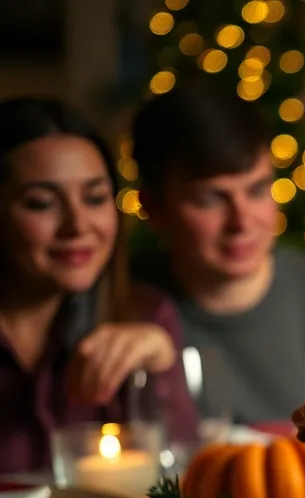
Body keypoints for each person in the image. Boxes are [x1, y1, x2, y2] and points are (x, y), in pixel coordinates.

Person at [131, 78, 305, 425]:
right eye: (210, 199)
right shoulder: (122, 305)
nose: (242, 221)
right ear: (153, 208)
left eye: (256, 191)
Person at [0, 98, 196, 476]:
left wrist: (161, 366)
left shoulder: (144, 315)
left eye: (95, 198)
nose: (78, 225)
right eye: (41, 203)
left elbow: (184, 476)